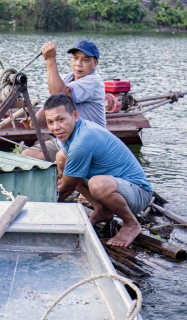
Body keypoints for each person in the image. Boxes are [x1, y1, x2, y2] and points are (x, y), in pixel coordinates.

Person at [44, 93, 152, 247]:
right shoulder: (73, 133)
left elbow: (68, 187)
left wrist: (43, 205)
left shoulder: (82, 141)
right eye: (50, 122)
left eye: (60, 120)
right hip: (118, 185)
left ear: (75, 116)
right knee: (62, 157)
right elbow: (64, 171)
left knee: (97, 184)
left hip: (139, 192)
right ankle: (101, 209)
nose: (55, 127)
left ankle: (131, 223)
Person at [22, 39, 105, 163]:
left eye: (85, 60)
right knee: (27, 155)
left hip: (88, 144)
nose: (79, 64)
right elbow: (54, 101)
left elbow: (59, 93)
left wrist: (50, 60)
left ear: (96, 63)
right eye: (75, 58)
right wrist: (36, 119)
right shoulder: (68, 78)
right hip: (67, 142)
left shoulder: (93, 81)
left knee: (61, 163)